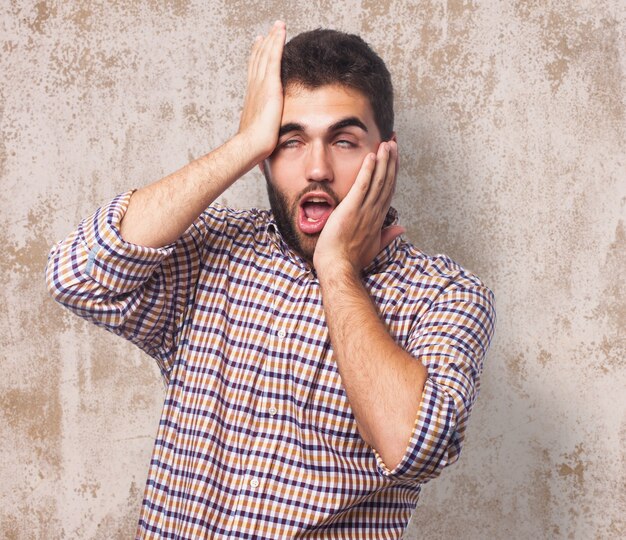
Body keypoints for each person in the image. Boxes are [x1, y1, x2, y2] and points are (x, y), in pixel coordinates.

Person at [45, 21, 496, 539]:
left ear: (386, 153)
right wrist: (244, 144)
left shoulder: (446, 295)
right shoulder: (212, 253)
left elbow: (413, 448)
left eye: (345, 141)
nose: (317, 169)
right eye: (290, 141)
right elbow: (76, 276)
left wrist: (337, 269)